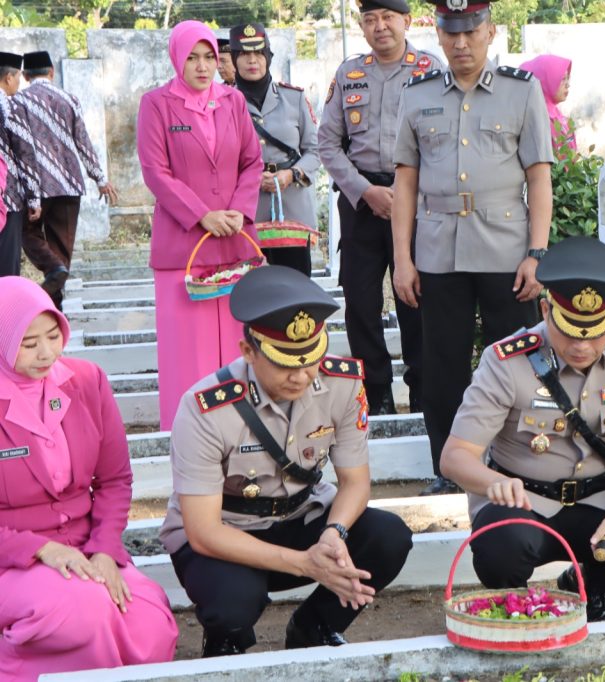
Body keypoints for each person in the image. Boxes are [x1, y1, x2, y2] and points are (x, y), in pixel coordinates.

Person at [439, 236, 605, 622]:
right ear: (546, 310)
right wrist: (493, 483)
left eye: (595, 331)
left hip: (600, 503)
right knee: (501, 549)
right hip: (523, 505)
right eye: (569, 330)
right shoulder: (506, 362)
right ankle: (522, 615)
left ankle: (595, 592)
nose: (582, 345)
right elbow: (454, 456)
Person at [159, 265, 413, 657]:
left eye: (310, 359)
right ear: (248, 351)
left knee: (388, 537)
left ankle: (315, 627)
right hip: (227, 532)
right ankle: (227, 639)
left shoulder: (343, 383)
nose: (301, 376)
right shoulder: (204, 408)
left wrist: (334, 533)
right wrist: (304, 564)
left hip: (301, 517)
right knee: (233, 601)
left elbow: (355, 482)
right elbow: (203, 531)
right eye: (284, 362)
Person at [393, 0, 554, 495]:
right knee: (441, 366)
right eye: (451, 33)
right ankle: (449, 470)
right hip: (438, 252)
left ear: (490, 31)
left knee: (521, 362)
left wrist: (537, 253)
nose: (461, 43)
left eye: (471, 31)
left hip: (507, 252)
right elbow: (405, 182)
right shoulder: (417, 94)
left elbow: (539, 176)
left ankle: (523, 465)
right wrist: (402, 259)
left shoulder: (521, 90)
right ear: (439, 35)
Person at [0, 277, 178, 679]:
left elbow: (114, 480)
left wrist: (105, 549)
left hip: (85, 546)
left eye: (53, 336)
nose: (46, 353)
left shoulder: (85, 380)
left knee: (150, 627)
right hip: (11, 560)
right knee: (82, 612)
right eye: (29, 343)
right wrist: (41, 549)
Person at [136, 20, 264, 430]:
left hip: (234, 242)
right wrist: (202, 215)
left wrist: (239, 211)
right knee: (189, 352)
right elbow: (155, 171)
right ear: (177, 59)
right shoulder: (156, 104)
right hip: (184, 245)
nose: (203, 66)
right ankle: (190, 435)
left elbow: (252, 162)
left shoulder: (233, 101)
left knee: (239, 344)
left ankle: (244, 432)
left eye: (209, 57)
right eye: (192, 58)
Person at [318, 0, 438, 416]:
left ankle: (423, 391)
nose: (380, 26)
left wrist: (407, 193)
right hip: (361, 202)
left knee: (416, 298)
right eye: (370, 19)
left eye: (388, 17)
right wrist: (365, 190)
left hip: (417, 200)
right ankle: (377, 394)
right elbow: (327, 144)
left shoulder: (431, 70)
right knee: (360, 302)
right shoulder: (349, 74)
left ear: (406, 21)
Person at [15, 50, 119, 308]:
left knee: (26, 232)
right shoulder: (70, 99)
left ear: (25, 76)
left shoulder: (19, 101)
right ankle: (55, 301)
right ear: (51, 72)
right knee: (61, 245)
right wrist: (100, 178)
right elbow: (83, 141)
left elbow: (19, 147)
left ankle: (53, 272)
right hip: (70, 184)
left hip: (36, 185)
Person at [230, 22, 320, 276]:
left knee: (296, 286)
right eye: (244, 54)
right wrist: (252, 179)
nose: (252, 60)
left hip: (292, 210)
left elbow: (315, 150)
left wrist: (292, 174)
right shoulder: (224, 102)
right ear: (234, 59)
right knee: (251, 287)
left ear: (268, 57)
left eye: (259, 53)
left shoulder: (294, 98)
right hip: (246, 212)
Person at [0, 51, 41, 277]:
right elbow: (25, 153)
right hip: (7, 198)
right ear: (8, 78)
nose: (19, 82)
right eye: (17, 77)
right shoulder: (10, 106)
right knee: (6, 265)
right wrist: (34, 198)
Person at [519, 54, 576, 152]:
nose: (567, 85)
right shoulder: (539, 120)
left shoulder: (558, 117)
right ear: (545, 81)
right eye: (562, 79)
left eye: (568, 78)